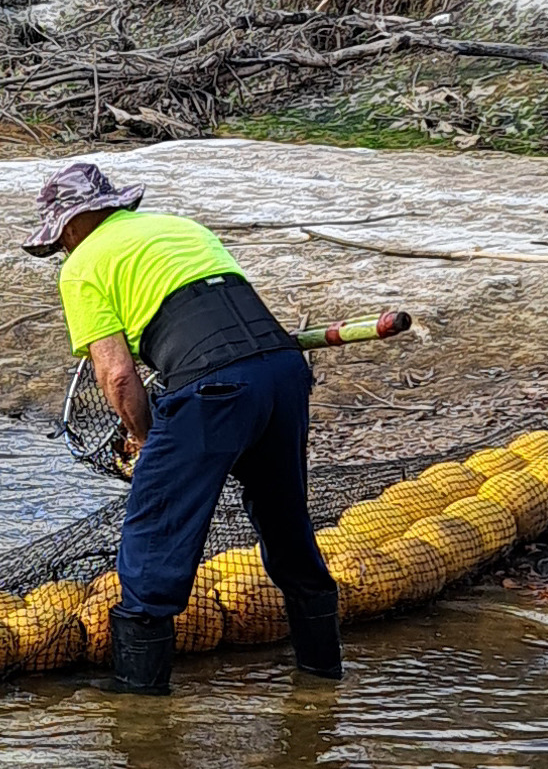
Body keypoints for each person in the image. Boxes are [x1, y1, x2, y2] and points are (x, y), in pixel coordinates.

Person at [25, 159, 343, 695]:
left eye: (60, 235)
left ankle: (140, 703)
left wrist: (146, 439)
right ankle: (322, 677)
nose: (60, 246)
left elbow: (118, 376)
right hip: (284, 372)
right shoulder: (181, 228)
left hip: (214, 389)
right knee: (285, 522)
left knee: (154, 535)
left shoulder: (81, 267)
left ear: (77, 223)